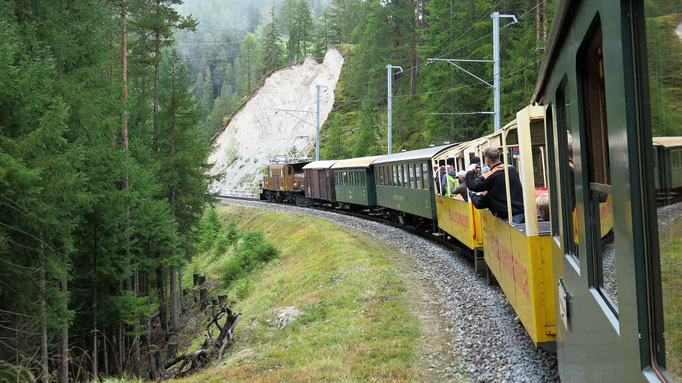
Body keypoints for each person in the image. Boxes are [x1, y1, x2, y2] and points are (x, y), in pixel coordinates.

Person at [465, 147, 524, 223]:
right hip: (521, 213)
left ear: (487, 159)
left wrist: (470, 171)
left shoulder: (490, 176)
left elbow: (472, 185)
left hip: (507, 217)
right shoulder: (512, 169)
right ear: (498, 157)